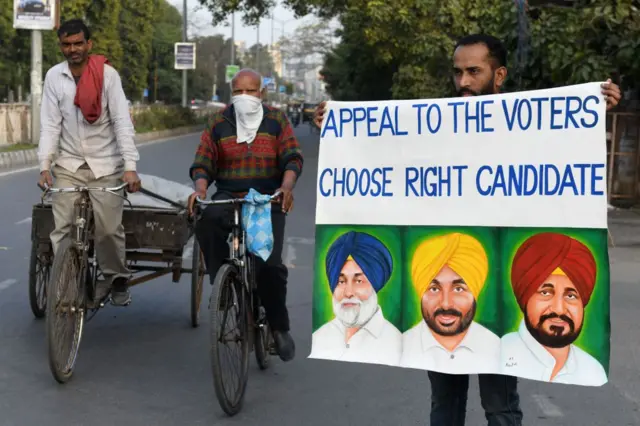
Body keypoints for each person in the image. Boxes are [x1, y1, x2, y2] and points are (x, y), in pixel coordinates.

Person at [313, 33, 622, 426]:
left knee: (501, 405)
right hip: (444, 289)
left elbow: (561, 153)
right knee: (444, 404)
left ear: (499, 74)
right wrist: (338, 126)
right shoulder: (434, 125)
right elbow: (387, 152)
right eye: (458, 72)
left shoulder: (529, 126)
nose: (464, 82)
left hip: (490, 288)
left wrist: (598, 108)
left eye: (474, 71)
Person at [188, 68, 303, 362]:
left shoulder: (276, 120)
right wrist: (200, 190)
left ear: (261, 94)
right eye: (238, 92)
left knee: (271, 266)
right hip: (230, 195)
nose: (244, 97)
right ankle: (222, 281)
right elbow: (203, 162)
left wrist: (286, 187)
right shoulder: (219, 122)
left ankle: (279, 329)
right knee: (207, 220)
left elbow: (292, 157)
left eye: (250, 91)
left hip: (268, 199)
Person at [37, 19, 141, 307]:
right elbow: (49, 125)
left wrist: (130, 166)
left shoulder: (108, 76)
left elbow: (122, 123)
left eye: (78, 43)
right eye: (67, 45)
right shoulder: (54, 77)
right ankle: (67, 277)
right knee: (62, 229)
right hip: (68, 164)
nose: (73, 49)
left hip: (106, 165)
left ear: (88, 44)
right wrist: (44, 164)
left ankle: (116, 277)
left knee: (108, 229)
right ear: (61, 46)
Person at [501, 232, 607, 386]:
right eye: (545, 293)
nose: (559, 309)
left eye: (571, 296)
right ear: (524, 297)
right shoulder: (500, 352)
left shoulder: (592, 370)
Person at [400, 233, 500, 375]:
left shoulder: (495, 347)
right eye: (434, 289)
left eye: (458, 289)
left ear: (475, 293)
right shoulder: (404, 346)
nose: (446, 304)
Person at [309, 231, 402, 366]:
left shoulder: (395, 342)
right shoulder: (319, 337)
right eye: (341, 281)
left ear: (375, 285)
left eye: (359, 281)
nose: (348, 293)